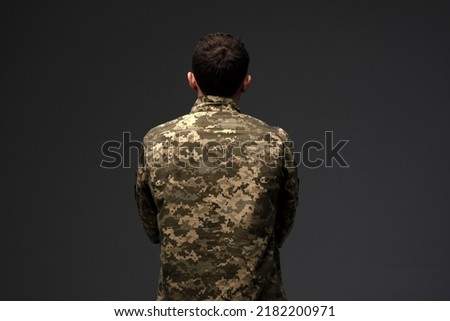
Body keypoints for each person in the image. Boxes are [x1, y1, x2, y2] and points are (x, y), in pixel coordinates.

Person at [135, 32, 299, 300]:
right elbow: (280, 227)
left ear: (191, 80)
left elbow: (153, 229)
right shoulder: (274, 141)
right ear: (246, 83)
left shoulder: (156, 141)